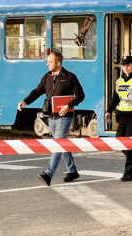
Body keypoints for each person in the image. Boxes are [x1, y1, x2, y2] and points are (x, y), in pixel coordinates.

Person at [18, 51, 85, 186]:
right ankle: (72, 170)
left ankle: (48, 174)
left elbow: (80, 95)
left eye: (50, 61)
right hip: (51, 117)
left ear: (58, 63)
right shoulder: (47, 77)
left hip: (64, 117)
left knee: (58, 144)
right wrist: (25, 101)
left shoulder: (70, 77)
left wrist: (69, 105)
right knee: (61, 143)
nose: (47, 64)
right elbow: (37, 91)